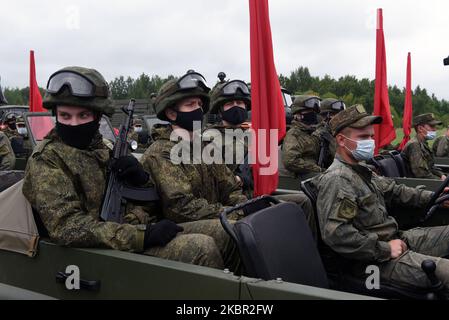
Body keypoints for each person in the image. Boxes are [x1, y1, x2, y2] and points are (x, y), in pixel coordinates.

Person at [22, 66, 229, 269]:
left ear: (96, 117)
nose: (74, 124)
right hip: (98, 252)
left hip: (130, 234)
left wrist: (142, 180)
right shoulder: (47, 159)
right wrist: (142, 236)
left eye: (83, 115)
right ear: (55, 115)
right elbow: (67, 227)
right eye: (65, 116)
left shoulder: (105, 149)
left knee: (229, 232)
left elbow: (150, 202)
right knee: (202, 248)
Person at [315, 104, 449, 293]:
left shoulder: (363, 170)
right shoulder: (338, 179)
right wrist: (384, 249)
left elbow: (395, 191)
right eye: (362, 137)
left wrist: (437, 197)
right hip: (371, 262)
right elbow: (337, 235)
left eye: (370, 136)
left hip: (395, 239)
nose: (370, 141)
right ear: (341, 140)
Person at [206, 78, 253, 196]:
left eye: (240, 103)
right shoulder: (208, 140)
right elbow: (215, 183)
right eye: (230, 104)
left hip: (256, 194)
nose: (236, 107)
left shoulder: (250, 134)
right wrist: (239, 179)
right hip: (233, 203)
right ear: (220, 110)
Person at [282, 95, 328, 180]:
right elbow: (290, 161)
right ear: (298, 115)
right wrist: (317, 169)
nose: (312, 114)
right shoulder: (294, 134)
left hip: (312, 174)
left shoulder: (313, 133)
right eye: (308, 111)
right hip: (300, 177)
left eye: (314, 111)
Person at [401, 113, 445, 180]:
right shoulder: (414, 145)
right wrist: (441, 181)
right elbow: (421, 174)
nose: (435, 129)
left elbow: (430, 167)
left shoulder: (422, 143)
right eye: (432, 126)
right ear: (420, 128)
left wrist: (442, 175)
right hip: (418, 185)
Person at [313, 98, 346, 169]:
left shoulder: (341, 131)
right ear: (326, 116)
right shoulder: (318, 134)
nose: (340, 117)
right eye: (335, 114)